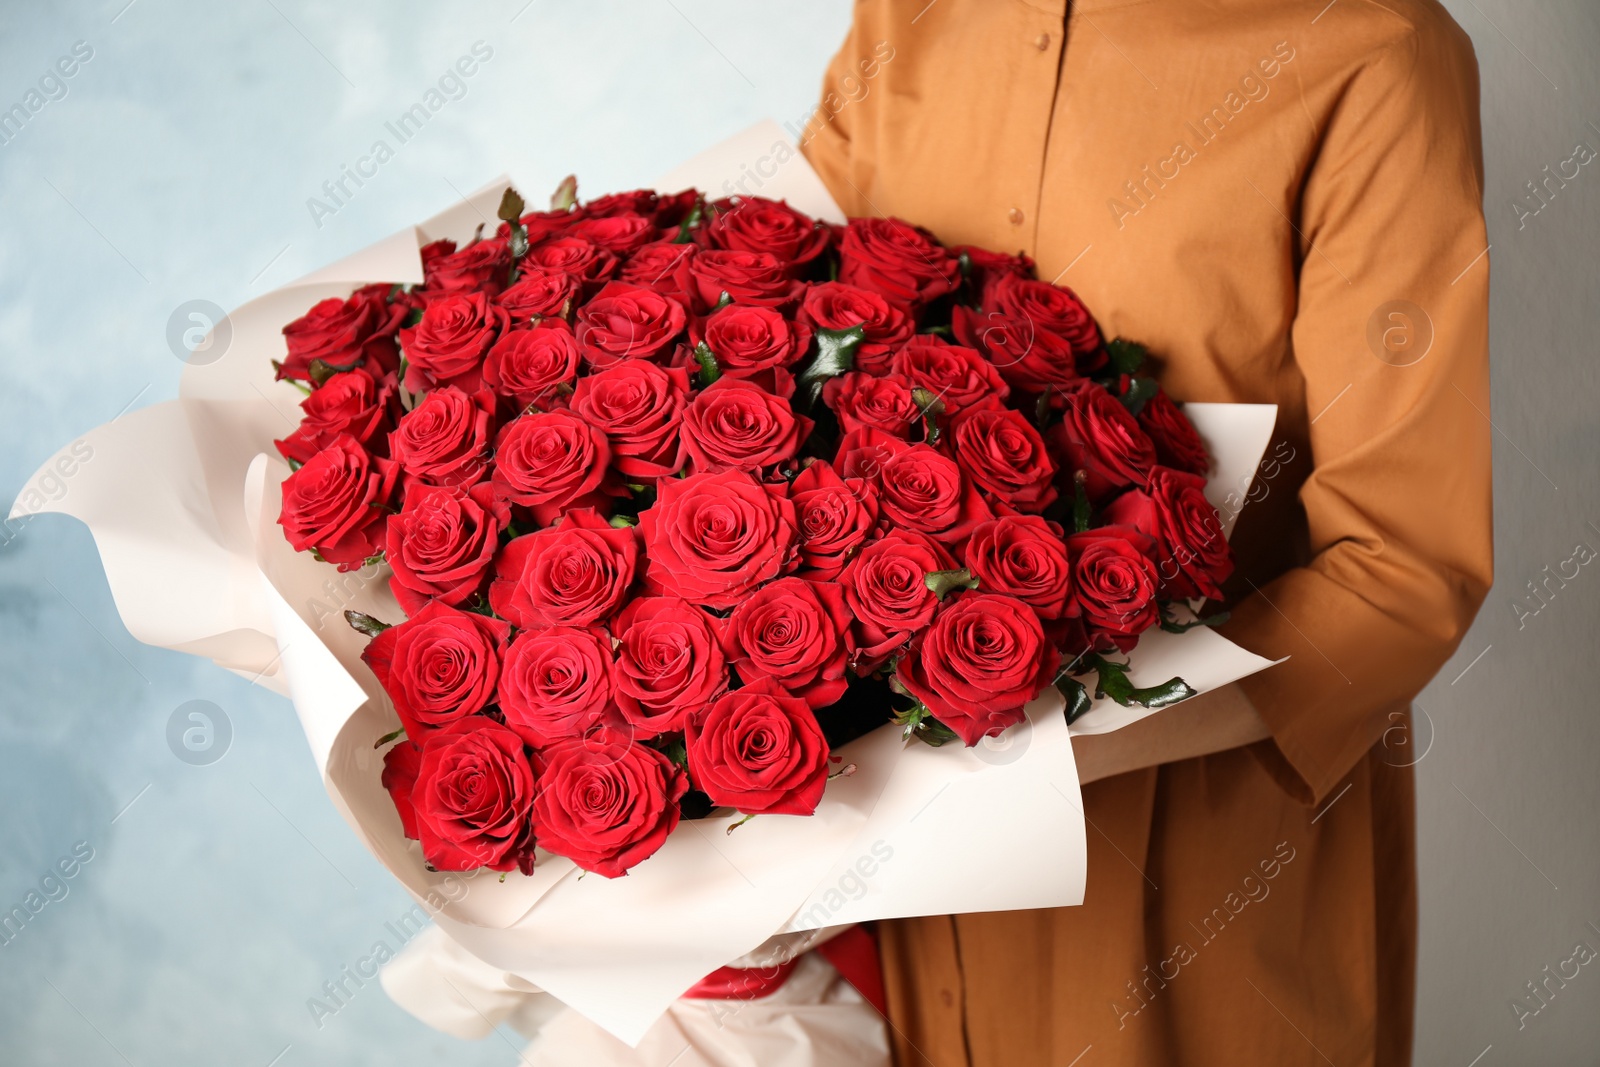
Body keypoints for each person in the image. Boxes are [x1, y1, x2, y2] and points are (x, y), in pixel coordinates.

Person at [802, 1, 1492, 1064]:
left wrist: (1022, 743)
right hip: (906, 894)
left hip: (1203, 876)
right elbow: (783, 357)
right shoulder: (909, 15)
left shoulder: (1375, 51)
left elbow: (1403, 568)